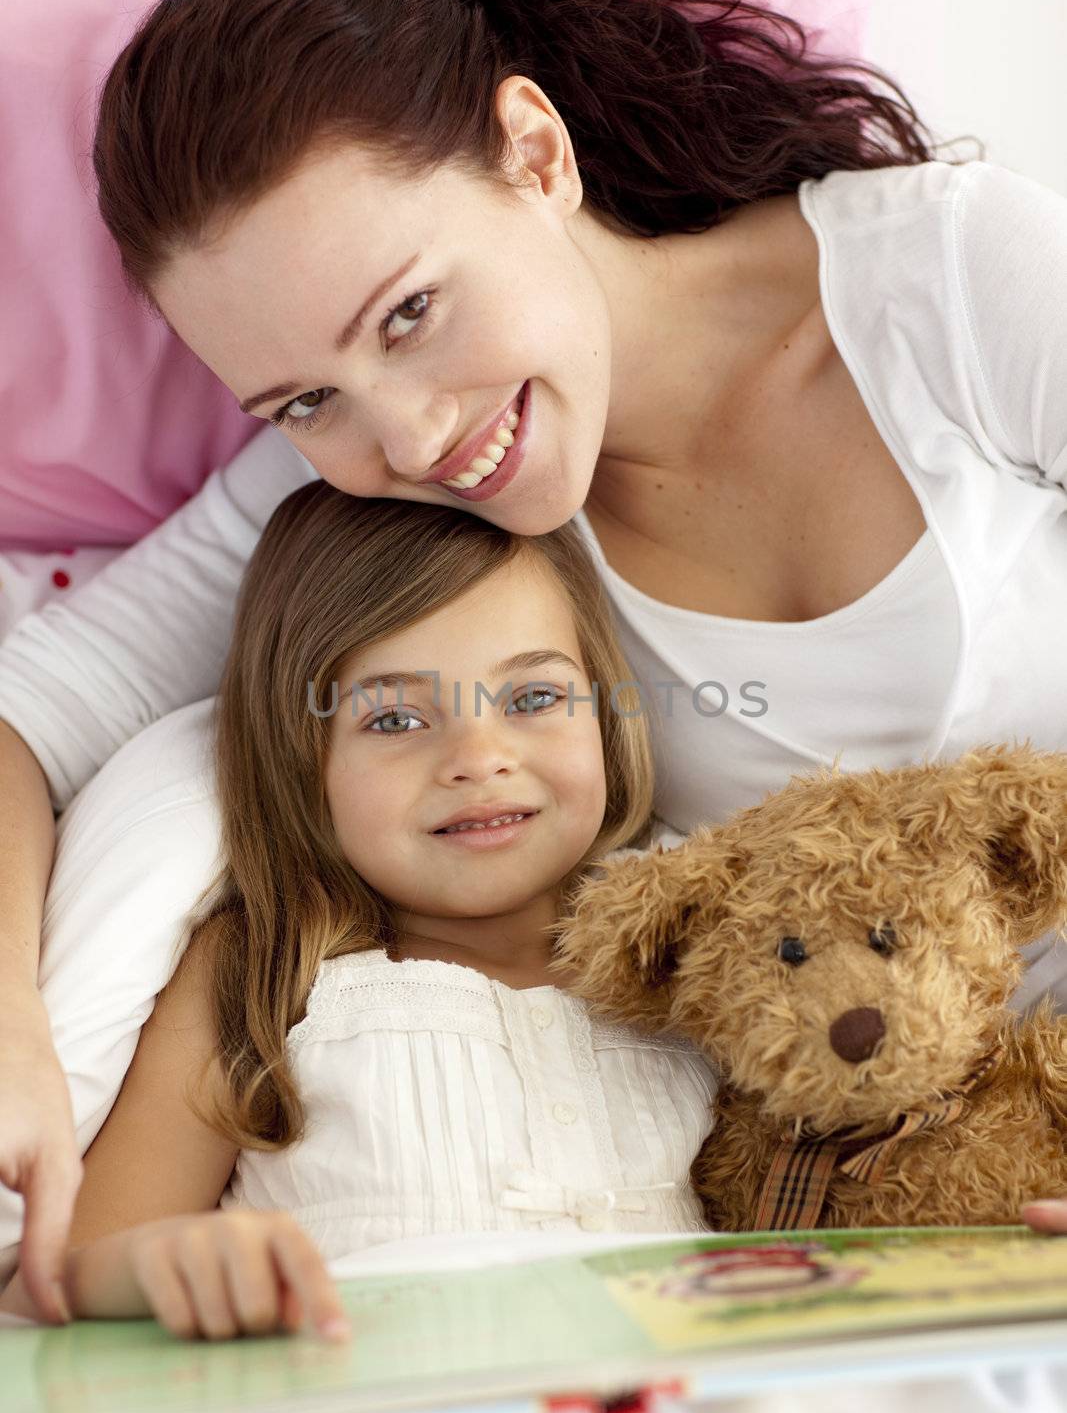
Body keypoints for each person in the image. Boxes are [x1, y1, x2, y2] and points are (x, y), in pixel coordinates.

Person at [2, 0, 1066, 1323]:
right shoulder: (371, 490)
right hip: (837, 1231)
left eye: (409, 313)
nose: (411, 439)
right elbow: (30, 707)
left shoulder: (943, 284)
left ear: (534, 153)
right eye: (303, 399)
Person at [0, 484, 717, 1338]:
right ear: (305, 764)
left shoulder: (698, 950)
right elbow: (56, 1281)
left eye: (531, 701)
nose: (478, 759)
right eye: (396, 718)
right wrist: (160, 1268)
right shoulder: (264, 973)